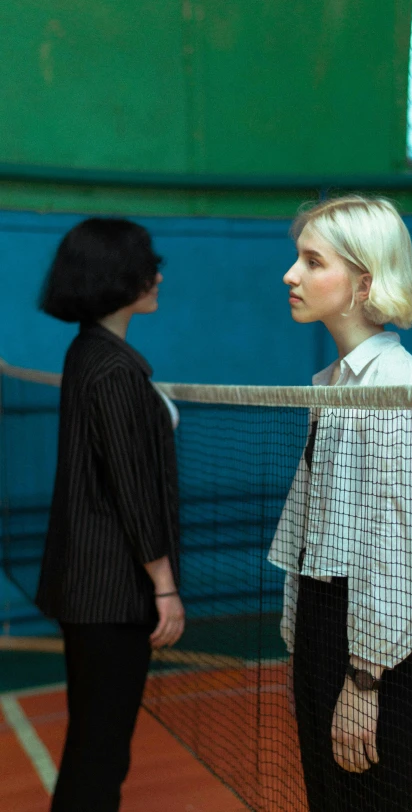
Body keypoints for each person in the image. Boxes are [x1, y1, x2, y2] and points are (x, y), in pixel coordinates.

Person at [268, 196, 412, 811]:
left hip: (372, 653)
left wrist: (364, 679)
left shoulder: (403, 389)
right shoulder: (337, 384)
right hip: (326, 635)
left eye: (311, 261)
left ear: (363, 281)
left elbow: (401, 553)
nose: (291, 276)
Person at [35, 218, 184, 812]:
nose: (158, 275)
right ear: (117, 277)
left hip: (86, 590)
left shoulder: (88, 351)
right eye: (147, 264)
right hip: (111, 594)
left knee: (95, 750)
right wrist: (165, 587)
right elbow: (134, 489)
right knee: (100, 756)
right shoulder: (115, 370)